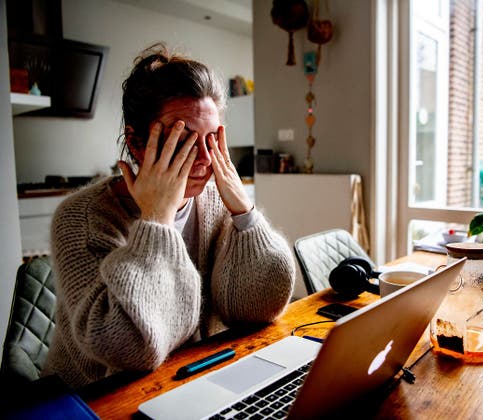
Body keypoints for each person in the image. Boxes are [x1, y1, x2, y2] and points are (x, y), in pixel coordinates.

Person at [42, 43, 296, 389]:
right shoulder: (80, 218)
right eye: (184, 140)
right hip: (96, 396)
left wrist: (245, 214)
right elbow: (129, 350)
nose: (205, 158)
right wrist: (157, 220)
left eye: (212, 140)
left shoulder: (215, 199)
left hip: (191, 377)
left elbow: (259, 307)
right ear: (135, 143)